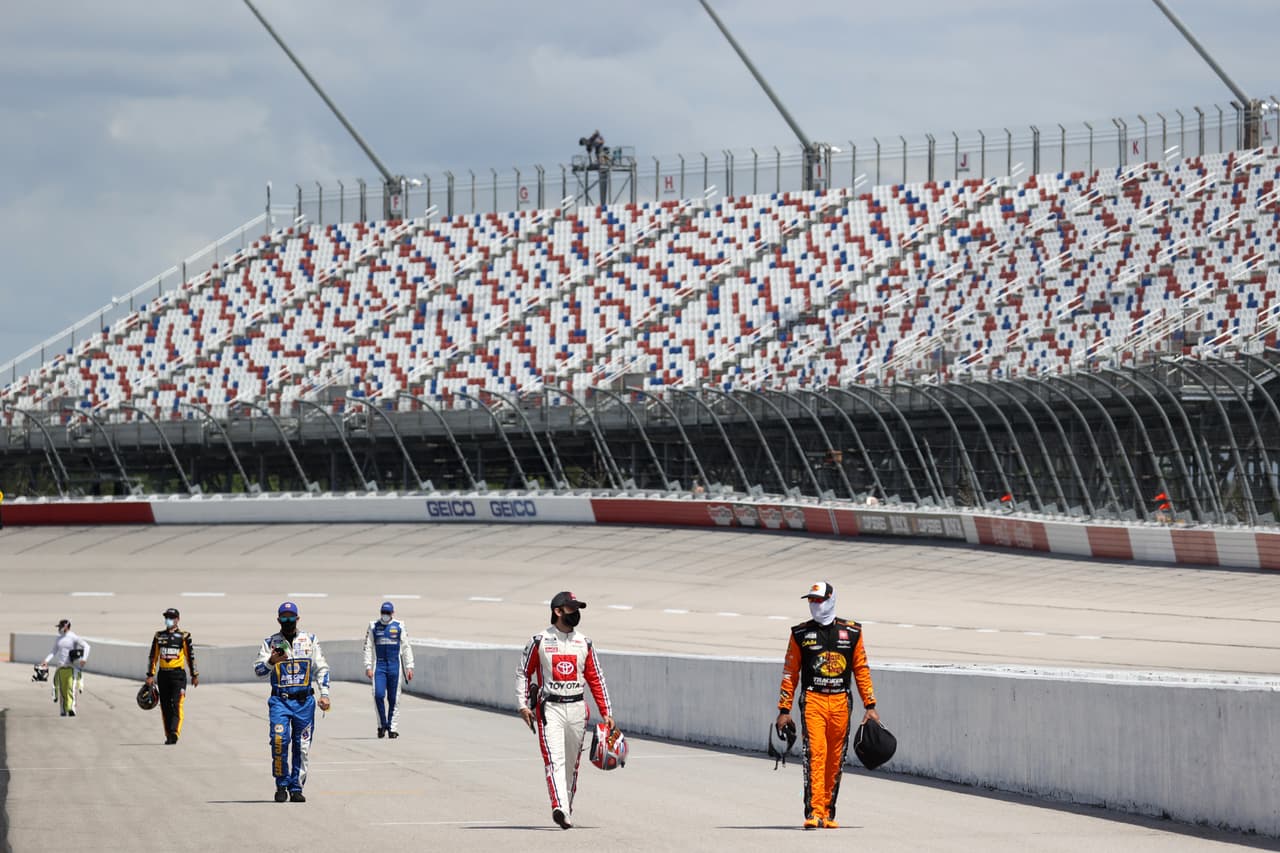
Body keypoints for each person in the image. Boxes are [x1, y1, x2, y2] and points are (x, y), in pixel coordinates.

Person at [776, 582, 880, 830]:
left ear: (831, 600)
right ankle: (814, 812)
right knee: (816, 754)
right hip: (813, 700)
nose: (814, 605)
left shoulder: (852, 632)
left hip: (841, 701)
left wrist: (870, 704)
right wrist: (784, 709)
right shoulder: (800, 633)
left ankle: (828, 813)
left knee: (835, 759)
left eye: (819, 600)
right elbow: (790, 672)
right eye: (811, 600)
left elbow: (861, 669)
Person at [517, 591, 615, 830]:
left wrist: (606, 712)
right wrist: (522, 704)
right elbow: (523, 672)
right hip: (549, 708)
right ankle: (559, 807)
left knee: (571, 765)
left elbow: (596, 678)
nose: (576, 613)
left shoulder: (585, 642)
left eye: (577, 608)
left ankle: (566, 809)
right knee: (555, 761)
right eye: (571, 608)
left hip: (578, 709)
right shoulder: (539, 640)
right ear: (558, 611)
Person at [254, 602, 331, 803]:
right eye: (284, 617)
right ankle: (281, 784)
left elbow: (322, 668)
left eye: (291, 617)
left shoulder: (310, 640)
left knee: (302, 747)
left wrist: (325, 694)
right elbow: (258, 671)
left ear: (297, 618)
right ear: (278, 619)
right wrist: (271, 661)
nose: (287, 621)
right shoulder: (270, 642)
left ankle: (296, 787)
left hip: (304, 702)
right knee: (279, 740)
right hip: (280, 701)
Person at [145, 607, 199, 744]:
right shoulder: (158, 636)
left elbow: (190, 657)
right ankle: (169, 734)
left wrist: (194, 674)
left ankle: (175, 732)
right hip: (163, 675)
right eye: (166, 617)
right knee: (165, 706)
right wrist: (150, 675)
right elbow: (153, 657)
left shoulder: (184, 636)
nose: (168, 620)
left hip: (178, 675)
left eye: (171, 617)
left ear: (177, 619)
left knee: (177, 703)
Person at [363, 601, 415, 739]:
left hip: (394, 666)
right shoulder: (373, 626)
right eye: (383, 612)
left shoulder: (399, 626)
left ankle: (392, 728)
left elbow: (406, 647)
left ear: (392, 613)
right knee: (378, 695)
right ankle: (381, 725)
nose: (385, 615)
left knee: (394, 698)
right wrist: (368, 666)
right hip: (379, 665)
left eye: (387, 612)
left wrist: (409, 666)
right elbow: (368, 647)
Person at [40, 619, 89, 716]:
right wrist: (46, 661)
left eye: (60, 627)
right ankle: (63, 710)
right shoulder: (58, 639)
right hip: (61, 667)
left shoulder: (73, 637)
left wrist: (84, 659)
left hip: (71, 667)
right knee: (62, 690)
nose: (59, 628)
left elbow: (87, 646)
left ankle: (71, 709)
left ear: (66, 626)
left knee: (71, 688)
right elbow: (53, 651)